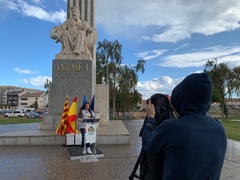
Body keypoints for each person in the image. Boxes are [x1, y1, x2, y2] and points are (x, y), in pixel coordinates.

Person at [142, 72, 227, 180]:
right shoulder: (219, 128)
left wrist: (150, 119)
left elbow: (147, 142)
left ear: (181, 97)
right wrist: (177, 107)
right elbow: (191, 120)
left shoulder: (171, 128)